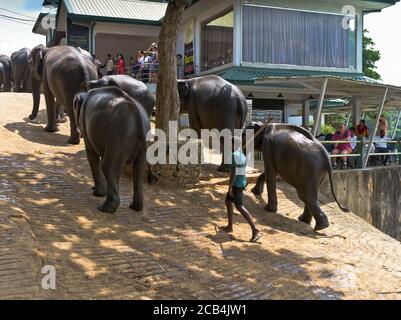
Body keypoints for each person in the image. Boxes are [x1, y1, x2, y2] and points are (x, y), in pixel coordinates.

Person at [220, 137, 263, 243]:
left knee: (239, 206)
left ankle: (255, 230)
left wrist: (230, 187)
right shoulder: (241, 154)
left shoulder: (235, 155)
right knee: (228, 202)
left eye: (230, 143)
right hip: (241, 182)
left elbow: (234, 173)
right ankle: (230, 226)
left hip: (237, 184)